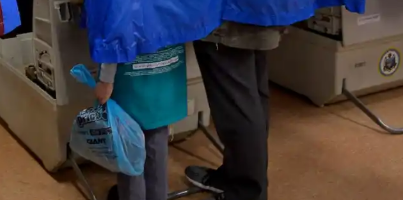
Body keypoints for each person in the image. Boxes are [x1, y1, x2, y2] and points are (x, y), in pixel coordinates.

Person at [184, 22, 284, 200]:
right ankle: (238, 176)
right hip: (261, 9)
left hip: (228, 19)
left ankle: (245, 192)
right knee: (253, 96)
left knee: (238, 106)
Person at [96, 45, 188, 200]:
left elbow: (115, 32)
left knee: (130, 151)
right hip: (165, 72)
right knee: (157, 147)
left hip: (130, 81)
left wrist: (106, 80)